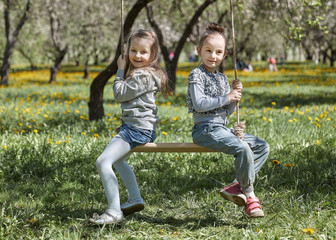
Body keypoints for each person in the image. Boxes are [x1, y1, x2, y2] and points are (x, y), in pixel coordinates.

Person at [187, 23, 270, 218]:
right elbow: (199, 104)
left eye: (218, 52)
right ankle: (249, 194)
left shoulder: (223, 79)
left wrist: (235, 97)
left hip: (222, 129)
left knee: (262, 147)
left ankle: (236, 185)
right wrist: (228, 97)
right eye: (208, 51)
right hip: (205, 130)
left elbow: (227, 110)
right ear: (199, 51)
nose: (213, 56)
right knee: (242, 148)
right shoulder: (196, 74)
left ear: (224, 55)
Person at [89, 29, 169, 225]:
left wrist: (120, 70)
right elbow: (137, 105)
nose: (137, 56)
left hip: (137, 130)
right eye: (133, 50)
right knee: (117, 161)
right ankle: (134, 198)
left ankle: (114, 211)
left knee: (102, 162)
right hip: (137, 128)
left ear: (152, 55)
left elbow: (119, 94)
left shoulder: (143, 75)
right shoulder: (145, 74)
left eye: (143, 52)